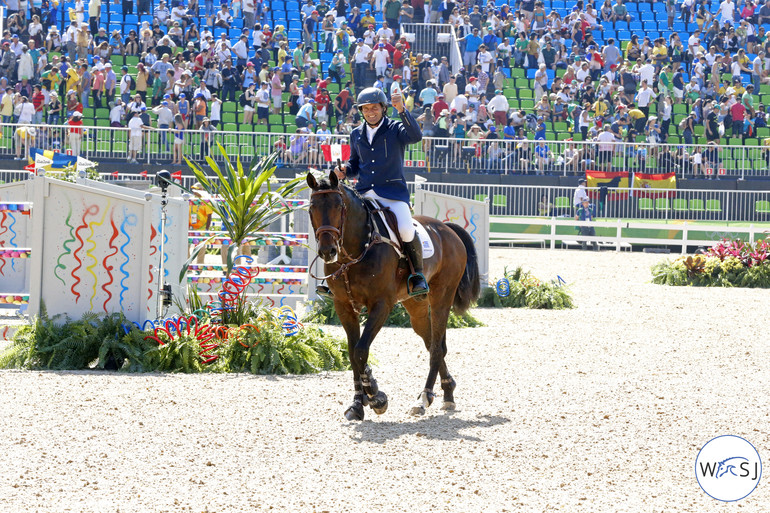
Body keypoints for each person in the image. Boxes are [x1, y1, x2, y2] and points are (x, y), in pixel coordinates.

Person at [335, 87, 428, 298]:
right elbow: (355, 164)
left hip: (392, 192)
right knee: (342, 224)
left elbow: (415, 136)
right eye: (366, 109)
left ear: (383, 108)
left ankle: (417, 275)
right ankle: (337, 274)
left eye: (374, 108)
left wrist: (403, 110)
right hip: (364, 193)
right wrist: (345, 171)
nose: (370, 112)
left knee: (405, 229)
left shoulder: (395, 128)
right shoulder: (356, 134)